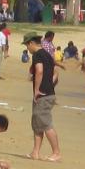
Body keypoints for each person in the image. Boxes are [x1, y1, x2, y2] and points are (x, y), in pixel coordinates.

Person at [27, 33, 61, 162]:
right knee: (37, 124)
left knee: (46, 124)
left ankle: (56, 152)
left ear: (31, 43)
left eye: (26, 45)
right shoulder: (47, 54)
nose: (27, 49)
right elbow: (54, 73)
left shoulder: (38, 55)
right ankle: (35, 152)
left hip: (43, 95)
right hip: (48, 93)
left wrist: (37, 90)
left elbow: (39, 71)